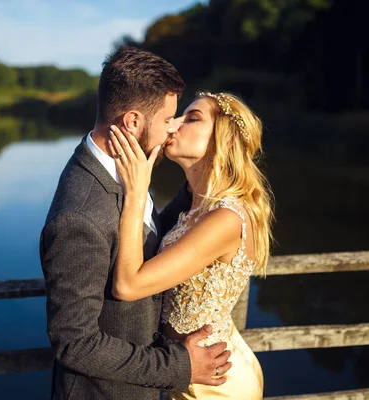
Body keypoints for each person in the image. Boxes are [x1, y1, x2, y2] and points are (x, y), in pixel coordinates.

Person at [39, 47, 232, 400]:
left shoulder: (128, 172)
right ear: (132, 122)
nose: (172, 128)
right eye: (167, 119)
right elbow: (75, 344)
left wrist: (203, 174)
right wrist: (179, 367)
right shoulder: (79, 216)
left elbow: (151, 232)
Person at [108, 91, 274, 399]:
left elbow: (128, 286)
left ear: (225, 140)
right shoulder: (194, 208)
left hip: (214, 383)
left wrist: (136, 191)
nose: (173, 126)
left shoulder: (225, 218)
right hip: (191, 369)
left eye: (192, 119)